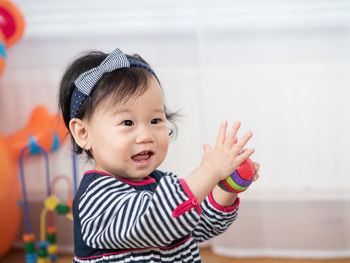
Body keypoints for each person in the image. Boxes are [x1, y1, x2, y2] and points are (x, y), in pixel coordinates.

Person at [58, 48, 259, 263]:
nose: (145, 136)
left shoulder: (165, 184)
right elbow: (156, 220)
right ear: (83, 133)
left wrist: (228, 187)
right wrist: (209, 171)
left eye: (155, 121)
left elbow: (198, 225)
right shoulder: (96, 196)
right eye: (128, 123)